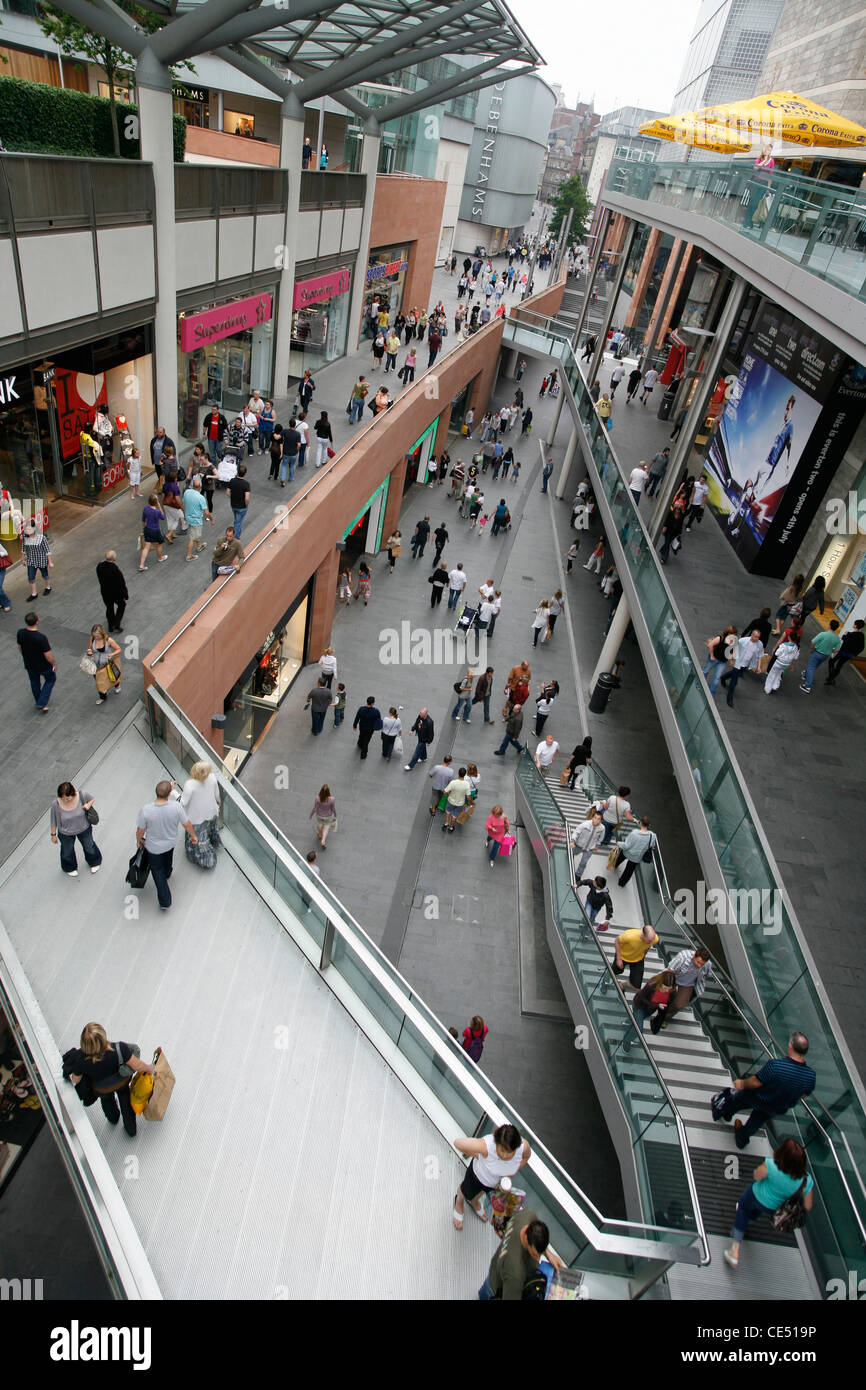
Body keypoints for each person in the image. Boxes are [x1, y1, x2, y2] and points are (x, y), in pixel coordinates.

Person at [715, 1032, 816, 1151]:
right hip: (777, 1106)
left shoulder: (776, 1066)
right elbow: (803, 1094)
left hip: (756, 1096)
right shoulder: (810, 1076)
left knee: (737, 1100)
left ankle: (726, 1114)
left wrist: (742, 1084)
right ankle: (741, 1139)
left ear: (790, 1046)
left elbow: (756, 1082)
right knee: (757, 1121)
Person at [724, 1138, 814, 1271]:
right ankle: (748, 1220)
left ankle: (734, 1250)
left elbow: (757, 1176)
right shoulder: (806, 1181)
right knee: (754, 1213)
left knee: (742, 1210)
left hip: (755, 1195)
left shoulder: (772, 1166)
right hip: (773, 1208)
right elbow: (808, 1205)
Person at [62, 1022, 155, 1138]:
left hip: (101, 1089)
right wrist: (150, 1069)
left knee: (107, 1101)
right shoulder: (119, 1049)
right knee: (125, 1101)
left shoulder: (80, 1060)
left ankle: (113, 1118)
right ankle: (130, 1129)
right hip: (121, 1083)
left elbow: (75, 1080)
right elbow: (138, 1066)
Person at [452, 1123, 530, 1229]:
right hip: (477, 1176)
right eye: (502, 1150)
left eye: (510, 1152)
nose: (506, 1156)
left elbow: (526, 1157)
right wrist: (478, 1155)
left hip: (493, 1183)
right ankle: (459, 1201)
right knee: (465, 1189)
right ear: (496, 1143)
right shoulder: (487, 1145)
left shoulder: (523, 1146)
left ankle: (473, 1201)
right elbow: (458, 1143)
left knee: (481, 1193)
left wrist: (509, 1174)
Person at [136, 780, 197, 910]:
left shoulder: (146, 810)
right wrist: (193, 836)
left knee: (157, 872)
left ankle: (165, 902)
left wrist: (139, 841)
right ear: (169, 793)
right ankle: (168, 872)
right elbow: (187, 824)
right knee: (168, 857)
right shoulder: (176, 807)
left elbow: (140, 830)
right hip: (170, 843)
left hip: (153, 848)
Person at [50, 782, 102, 876]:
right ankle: (69, 867)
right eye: (63, 798)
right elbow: (53, 820)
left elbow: (92, 799)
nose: (65, 800)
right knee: (67, 850)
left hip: (84, 829)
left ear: (73, 793)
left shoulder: (82, 795)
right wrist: (53, 835)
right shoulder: (56, 804)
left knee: (89, 845)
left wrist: (88, 805)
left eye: (68, 797)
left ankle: (94, 861)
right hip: (65, 833)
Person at [179, 761, 221, 868]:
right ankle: (214, 843)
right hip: (211, 811)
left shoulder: (190, 785)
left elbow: (183, 802)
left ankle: (204, 859)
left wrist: (174, 794)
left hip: (196, 816)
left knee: (198, 837)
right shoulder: (212, 777)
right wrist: (218, 802)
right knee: (210, 829)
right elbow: (217, 794)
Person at [621, 970, 676, 1050]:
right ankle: (626, 1040)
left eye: (669, 989)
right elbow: (641, 996)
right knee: (638, 1029)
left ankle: (627, 1022)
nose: (666, 991)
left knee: (637, 1019)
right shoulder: (652, 985)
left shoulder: (672, 992)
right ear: (661, 983)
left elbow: (668, 1003)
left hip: (650, 1009)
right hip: (640, 1006)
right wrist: (656, 1005)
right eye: (665, 988)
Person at [17, 611, 57, 712]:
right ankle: (41, 702)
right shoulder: (41, 638)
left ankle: (40, 702)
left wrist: (25, 656)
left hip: (29, 664)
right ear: (37, 621)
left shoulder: (20, 632)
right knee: (51, 679)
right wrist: (54, 664)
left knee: (34, 682)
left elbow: (20, 647)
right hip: (43, 665)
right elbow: (48, 655)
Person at [664, 947, 712, 1026]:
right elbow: (670, 969)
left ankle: (664, 1018)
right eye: (698, 962)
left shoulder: (707, 964)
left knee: (679, 1004)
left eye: (702, 964)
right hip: (675, 977)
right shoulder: (683, 956)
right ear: (694, 956)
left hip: (688, 984)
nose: (699, 965)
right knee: (665, 995)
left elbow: (708, 974)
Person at [719, 629, 765, 706]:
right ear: (752, 635)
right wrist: (731, 660)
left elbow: (760, 656)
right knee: (734, 682)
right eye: (756, 637)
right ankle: (729, 698)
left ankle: (723, 677)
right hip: (738, 662)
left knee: (734, 674)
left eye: (758, 637)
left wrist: (759, 667)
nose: (757, 638)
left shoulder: (759, 644)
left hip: (746, 664)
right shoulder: (743, 641)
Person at [609, 924, 659, 991]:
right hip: (623, 957)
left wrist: (644, 955)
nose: (651, 942)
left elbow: (648, 946)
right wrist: (619, 959)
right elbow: (617, 941)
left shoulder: (654, 939)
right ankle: (606, 979)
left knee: (636, 985)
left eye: (652, 940)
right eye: (649, 940)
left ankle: (621, 985)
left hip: (638, 959)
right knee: (614, 972)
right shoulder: (629, 936)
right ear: (643, 935)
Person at [800, 620, 842, 692]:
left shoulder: (823, 634)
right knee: (814, 666)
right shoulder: (837, 638)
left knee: (811, 668)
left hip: (817, 653)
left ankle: (807, 686)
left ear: (829, 625)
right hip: (825, 656)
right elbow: (837, 650)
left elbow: (813, 641)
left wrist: (812, 649)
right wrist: (830, 650)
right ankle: (805, 674)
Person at [86, 623, 122, 704]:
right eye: (94, 636)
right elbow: (89, 647)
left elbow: (118, 649)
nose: (96, 638)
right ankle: (103, 696)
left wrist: (111, 655)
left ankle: (117, 685)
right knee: (99, 681)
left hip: (107, 664)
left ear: (102, 633)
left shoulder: (108, 640)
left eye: (97, 636)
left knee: (112, 676)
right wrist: (89, 652)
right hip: (96, 665)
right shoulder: (92, 638)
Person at [616, 816, 656, 887]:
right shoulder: (652, 836)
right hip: (637, 857)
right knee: (629, 871)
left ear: (640, 823)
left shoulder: (634, 833)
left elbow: (626, 846)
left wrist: (618, 843)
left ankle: (614, 866)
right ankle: (621, 883)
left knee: (619, 858)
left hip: (627, 852)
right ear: (649, 825)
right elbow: (651, 845)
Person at [95, 550, 129, 633]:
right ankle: (116, 623)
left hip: (105, 592)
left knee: (109, 608)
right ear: (114, 559)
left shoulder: (99, 566)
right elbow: (121, 584)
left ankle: (110, 625)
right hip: (116, 593)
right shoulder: (115, 570)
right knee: (122, 605)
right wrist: (125, 595)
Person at [21, 518, 53, 600]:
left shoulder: (41, 537)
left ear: (34, 528)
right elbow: (23, 549)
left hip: (41, 560)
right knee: (31, 577)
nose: (27, 530)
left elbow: (47, 550)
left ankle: (48, 587)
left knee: (45, 575)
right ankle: (34, 593)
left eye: (29, 529)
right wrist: (23, 559)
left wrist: (50, 562)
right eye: (26, 529)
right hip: (31, 561)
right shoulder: (25, 538)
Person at [826, 618, 864, 685]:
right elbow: (861, 647)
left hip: (842, 652)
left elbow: (845, 640)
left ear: (855, 625)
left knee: (831, 661)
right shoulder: (861, 636)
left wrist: (845, 635)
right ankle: (831, 678)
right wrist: (854, 654)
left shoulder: (850, 634)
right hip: (849, 655)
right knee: (839, 665)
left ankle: (831, 677)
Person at [183, 475, 213, 560]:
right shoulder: (201, 498)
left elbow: (183, 503)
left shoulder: (187, 492)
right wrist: (211, 519)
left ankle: (199, 546)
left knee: (194, 533)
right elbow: (206, 512)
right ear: (200, 487)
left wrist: (184, 514)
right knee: (192, 537)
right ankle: (189, 556)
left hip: (188, 517)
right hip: (196, 520)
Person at [703, 625, 738, 695]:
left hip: (722, 662)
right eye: (731, 634)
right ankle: (699, 683)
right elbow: (710, 645)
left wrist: (731, 660)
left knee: (717, 677)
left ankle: (711, 693)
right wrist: (712, 656)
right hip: (714, 658)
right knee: (705, 670)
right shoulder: (720, 638)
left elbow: (731, 651)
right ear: (727, 633)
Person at [570, 810, 604, 880]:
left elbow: (601, 838)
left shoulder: (602, 828)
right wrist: (573, 841)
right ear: (592, 817)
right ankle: (570, 857)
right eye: (595, 817)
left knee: (583, 863)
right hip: (579, 845)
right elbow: (577, 831)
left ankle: (578, 875)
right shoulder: (585, 824)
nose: (596, 820)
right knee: (572, 853)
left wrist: (596, 845)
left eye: (598, 819)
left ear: (601, 820)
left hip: (589, 849)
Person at [139, 492, 167, 570]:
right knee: (159, 544)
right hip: (155, 530)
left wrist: (144, 529)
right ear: (156, 502)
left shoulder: (145, 509)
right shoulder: (157, 511)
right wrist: (160, 506)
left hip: (147, 529)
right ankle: (160, 557)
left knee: (146, 547)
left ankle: (141, 565)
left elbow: (143, 520)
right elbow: (163, 517)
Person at [442, 766, 472, 833]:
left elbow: (445, 791)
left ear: (458, 773)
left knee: (448, 812)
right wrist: (469, 803)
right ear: (464, 775)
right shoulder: (467, 784)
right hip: (460, 803)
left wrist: (449, 793)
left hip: (451, 801)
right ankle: (451, 827)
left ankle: (446, 823)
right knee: (455, 815)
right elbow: (468, 796)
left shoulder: (453, 782)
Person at [352, 695, 381, 760]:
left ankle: (359, 744)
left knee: (361, 735)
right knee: (366, 741)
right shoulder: (376, 711)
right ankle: (363, 755)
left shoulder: (361, 709)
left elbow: (357, 717)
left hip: (362, 726)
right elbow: (379, 718)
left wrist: (355, 725)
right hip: (370, 728)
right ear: (373, 703)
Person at [309, 784, 337, 848]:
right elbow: (333, 808)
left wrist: (311, 815)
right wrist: (335, 814)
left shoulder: (317, 798)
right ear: (328, 792)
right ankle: (323, 840)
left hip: (319, 815)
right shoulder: (332, 799)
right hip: (328, 816)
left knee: (320, 824)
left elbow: (315, 808)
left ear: (321, 791)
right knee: (326, 827)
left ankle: (319, 833)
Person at [228, 464, 250, 540]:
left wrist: (233, 497)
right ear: (245, 473)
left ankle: (237, 534)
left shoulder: (232, 481)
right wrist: (246, 505)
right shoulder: (246, 484)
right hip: (242, 507)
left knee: (237, 520)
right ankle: (235, 538)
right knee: (238, 522)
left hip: (233, 505)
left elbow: (227, 492)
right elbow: (247, 498)